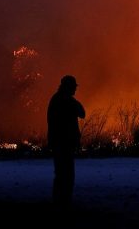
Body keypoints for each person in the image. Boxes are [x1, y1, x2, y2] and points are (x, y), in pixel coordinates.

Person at [47, 74, 85, 206]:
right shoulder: (66, 101)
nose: (75, 89)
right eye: (73, 87)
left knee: (62, 174)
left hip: (60, 143)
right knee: (66, 175)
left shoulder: (56, 99)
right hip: (64, 144)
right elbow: (82, 113)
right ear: (68, 87)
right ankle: (63, 203)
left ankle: (60, 202)